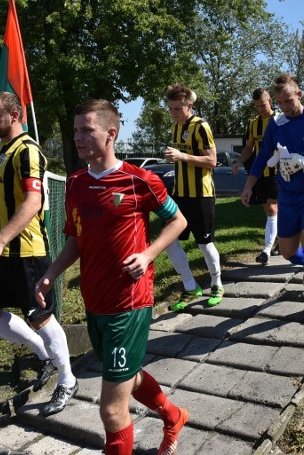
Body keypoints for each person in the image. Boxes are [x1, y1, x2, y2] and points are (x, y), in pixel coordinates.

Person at [34, 99, 189, 455]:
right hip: (95, 301)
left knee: (111, 409)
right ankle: (174, 415)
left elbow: (178, 220)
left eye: (86, 130)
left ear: (111, 134)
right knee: (128, 376)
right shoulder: (75, 183)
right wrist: (51, 273)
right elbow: (76, 239)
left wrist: (149, 254)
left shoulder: (140, 180)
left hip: (129, 302)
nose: (78, 137)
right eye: (75, 131)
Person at [0, 92, 77, 417]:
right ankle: (42, 353)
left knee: (41, 317)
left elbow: (32, 202)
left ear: (15, 114)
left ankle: (68, 379)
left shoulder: (27, 151)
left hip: (25, 251)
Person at [240, 73, 304, 321]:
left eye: (288, 100)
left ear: (299, 95)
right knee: (287, 252)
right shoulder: (277, 124)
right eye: (280, 102)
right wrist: (249, 184)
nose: (285, 106)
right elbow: (262, 156)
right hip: (286, 196)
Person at [162, 83, 225, 311]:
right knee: (168, 240)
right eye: (170, 108)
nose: (173, 113)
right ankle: (190, 285)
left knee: (204, 243)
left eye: (177, 108)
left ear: (190, 105)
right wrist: (175, 158)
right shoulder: (175, 127)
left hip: (201, 194)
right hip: (179, 193)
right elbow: (181, 157)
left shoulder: (201, 126)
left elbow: (212, 161)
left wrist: (182, 155)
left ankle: (217, 283)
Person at [232, 88, 278, 264]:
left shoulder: (280, 119)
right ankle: (277, 241)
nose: (260, 109)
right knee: (268, 209)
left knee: (273, 207)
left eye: (263, 105)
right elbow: (249, 147)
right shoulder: (253, 123)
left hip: (279, 171)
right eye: (257, 106)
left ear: (270, 102)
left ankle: (266, 249)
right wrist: (239, 162)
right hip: (260, 172)